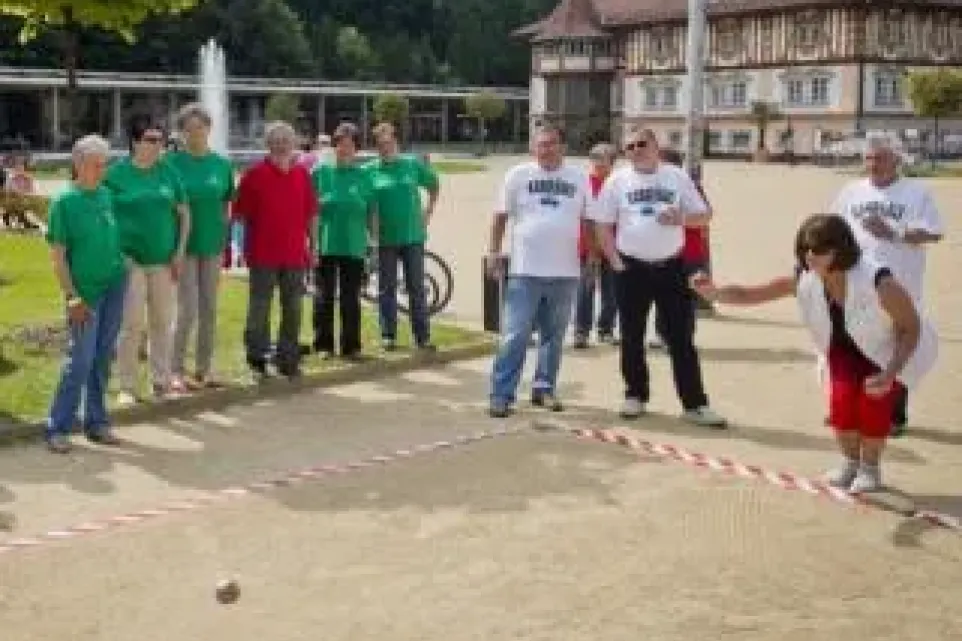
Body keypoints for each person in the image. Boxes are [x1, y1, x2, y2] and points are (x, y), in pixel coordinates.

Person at [691, 214, 937, 492]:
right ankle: (849, 464)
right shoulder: (805, 276)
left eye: (819, 250)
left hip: (882, 353)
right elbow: (751, 294)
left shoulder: (880, 282)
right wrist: (714, 294)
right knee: (841, 407)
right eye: (805, 248)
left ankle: (870, 469)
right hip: (841, 351)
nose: (810, 255)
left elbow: (910, 328)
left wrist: (891, 372)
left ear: (839, 250)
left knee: (873, 409)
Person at [590, 126, 725, 427]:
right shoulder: (617, 180)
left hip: (671, 266)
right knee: (632, 337)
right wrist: (614, 260)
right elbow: (602, 224)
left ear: (655, 145)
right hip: (631, 268)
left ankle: (695, 404)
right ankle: (635, 395)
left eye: (641, 144)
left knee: (681, 338)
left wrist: (683, 218)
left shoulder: (676, 176)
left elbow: (705, 215)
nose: (636, 150)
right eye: (629, 147)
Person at [830, 133, 943, 434]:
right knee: (854, 344)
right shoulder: (850, 191)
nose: (873, 164)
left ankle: (894, 416)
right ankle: (852, 406)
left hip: (900, 285)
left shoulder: (916, 192)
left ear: (896, 159)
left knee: (897, 346)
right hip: (857, 284)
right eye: (868, 158)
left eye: (879, 158)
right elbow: (832, 229)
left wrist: (895, 232)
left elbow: (934, 233)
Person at [486, 124, 589, 417]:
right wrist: (494, 252)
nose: (546, 149)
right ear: (533, 148)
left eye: (552, 143)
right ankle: (501, 394)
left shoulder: (579, 178)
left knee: (553, 337)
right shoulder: (518, 175)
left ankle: (544, 388)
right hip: (525, 270)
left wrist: (592, 258)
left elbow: (589, 221)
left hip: (565, 271)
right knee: (514, 335)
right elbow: (500, 216)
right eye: (541, 144)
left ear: (563, 147)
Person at [44, 135, 128, 453]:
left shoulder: (106, 195)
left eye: (104, 164)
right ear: (78, 164)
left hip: (114, 285)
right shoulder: (64, 202)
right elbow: (58, 258)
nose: (101, 170)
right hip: (85, 293)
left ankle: (97, 422)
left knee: (102, 358)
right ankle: (57, 427)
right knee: (80, 360)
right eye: (95, 164)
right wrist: (73, 297)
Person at [104, 115, 190, 405]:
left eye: (160, 140)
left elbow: (184, 214)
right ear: (135, 142)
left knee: (162, 322)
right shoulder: (116, 175)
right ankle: (127, 386)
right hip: (130, 262)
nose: (157, 146)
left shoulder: (168, 172)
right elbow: (104, 217)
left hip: (163, 262)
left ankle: (161, 381)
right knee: (131, 325)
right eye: (151, 140)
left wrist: (179, 251)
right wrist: (116, 253)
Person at [233, 121, 318, 379]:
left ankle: (287, 357)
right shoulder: (254, 175)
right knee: (260, 307)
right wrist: (241, 248)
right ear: (268, 144)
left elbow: (311, 213)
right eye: (276, 141)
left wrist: (314, 246)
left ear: (294, 144)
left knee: (293, 308)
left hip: (294, 254)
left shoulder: (302, 175)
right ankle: (257, 357)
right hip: (263, 254)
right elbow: (240, 215)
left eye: (286, 141)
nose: (281, 145)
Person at [166, 103, 236, 392]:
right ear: (182, 133)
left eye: (200, 127)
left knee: (209, 308)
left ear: (209, 129)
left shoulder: (222, 165)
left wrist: (226, 241)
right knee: (187, 309)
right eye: (189, 128)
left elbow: (226, 204)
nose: (195, 133)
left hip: (212, 245)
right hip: (183, 247)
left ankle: (204, 370)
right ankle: (174, 370)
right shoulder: (171, 164)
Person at [368, 121, 439, 351]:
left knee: (416, 287)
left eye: (389, 143)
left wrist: (428, 212)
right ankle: (388, 335)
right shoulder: (370, 170)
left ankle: (422, 336)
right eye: (381, 145)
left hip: (413, 237)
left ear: (396, 142)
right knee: (386, 288)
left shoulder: (411, 164)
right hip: (385, 239)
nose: (385, 148)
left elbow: (434, 184)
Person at [311, 122, 373, 359]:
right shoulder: (320, 173)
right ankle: (323, 346)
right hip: (326, 243)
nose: (344, 149)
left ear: (356, 149)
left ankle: (351, 346)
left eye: (350, 145)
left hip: (354, 244)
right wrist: (310, 242)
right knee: (324, 296)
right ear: (334, 146)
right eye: (340, 144)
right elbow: (309, 209)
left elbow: (371, 211)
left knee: (351, 298)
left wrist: (372, 241)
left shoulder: (363, 176)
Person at [650, 147, 712, 348]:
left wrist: (681, 219)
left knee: (685, 298)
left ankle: (683, 337)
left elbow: (706, 216)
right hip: (664, 251)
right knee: (662, 295)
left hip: (689, 251)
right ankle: (662, 334)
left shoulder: (690, 186)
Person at [573, 143, 618, 349]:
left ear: (612, 162)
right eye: (594, 157)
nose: (597, 162)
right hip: (587, 245)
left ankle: (606, 329)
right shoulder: (584, 183)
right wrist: (592, 249)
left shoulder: (617, 184)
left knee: (612, 291)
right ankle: (581, 331)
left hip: (612, 245)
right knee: (585, 289)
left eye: (602, 158)